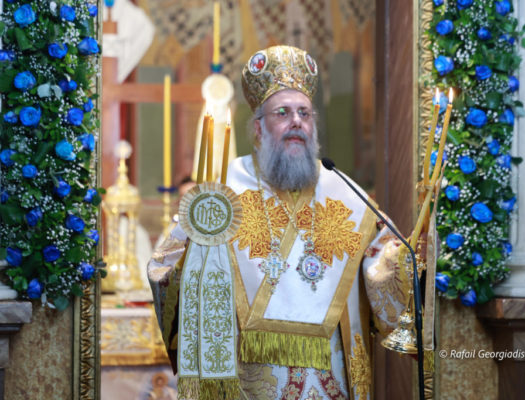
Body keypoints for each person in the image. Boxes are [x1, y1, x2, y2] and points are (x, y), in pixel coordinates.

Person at [148, 45, 410, 400]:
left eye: (304, 113)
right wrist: (194, 255)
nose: (296, 121)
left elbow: (383, 262)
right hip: (249, 377)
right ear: (258, 128)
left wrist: (405, 257)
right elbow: (164, 268)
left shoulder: (343, 190)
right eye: (282, 112)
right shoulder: (223, 189)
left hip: (331, 374)